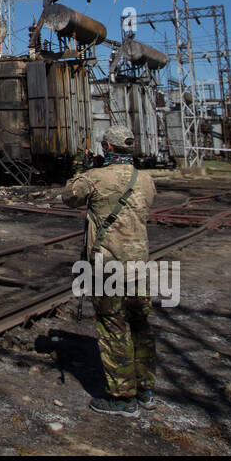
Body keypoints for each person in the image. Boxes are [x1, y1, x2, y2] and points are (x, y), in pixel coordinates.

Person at [62, 124, 158, 417]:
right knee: (140, 328)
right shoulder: (146, 180)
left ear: (109, 148)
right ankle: (145, 391)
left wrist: (85, 169)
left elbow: (69, 196)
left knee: (114, 330)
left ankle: (122, 398)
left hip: (108, 269)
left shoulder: (94, 179)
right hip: (139, 267)